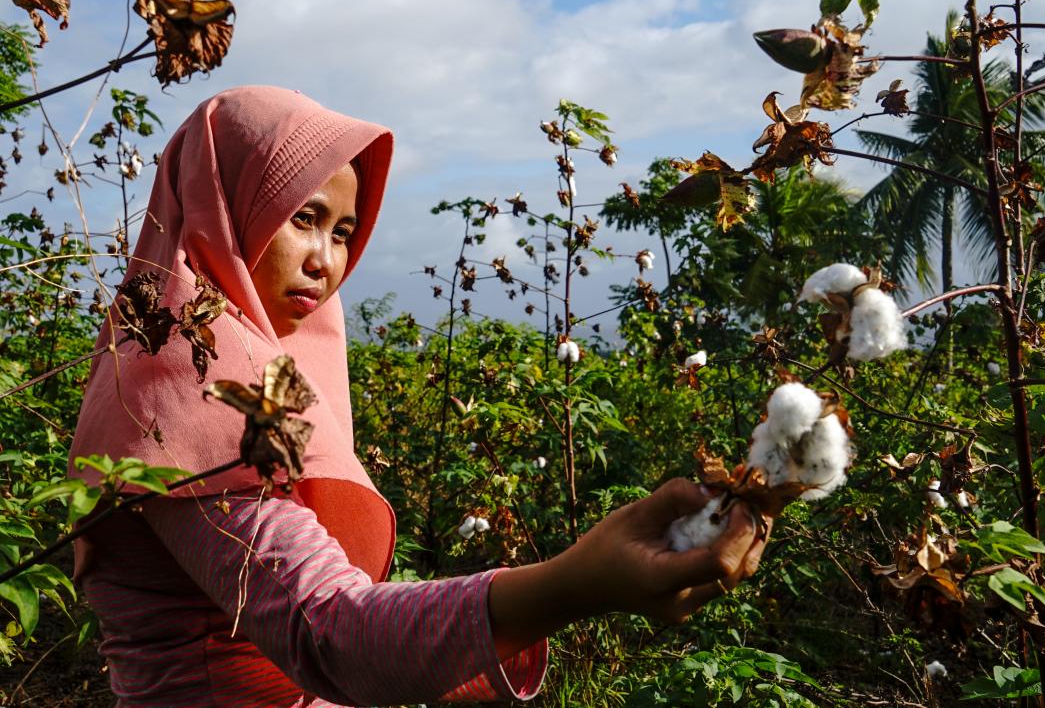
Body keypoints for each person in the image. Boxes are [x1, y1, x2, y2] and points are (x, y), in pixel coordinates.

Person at [67, 85, 767, 706]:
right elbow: (331, 636)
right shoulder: (178, 398)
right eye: (302, 218)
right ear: (222, 209)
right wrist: (576, 584)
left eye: (343, 233)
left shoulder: (246, 374)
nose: (326, 261)